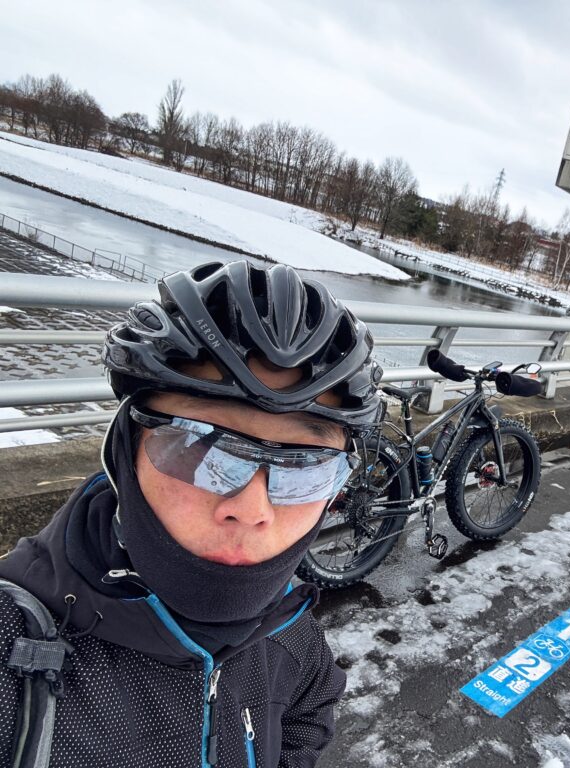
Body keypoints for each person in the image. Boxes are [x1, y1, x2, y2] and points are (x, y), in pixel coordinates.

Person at [1, 261, 383, 767]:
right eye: (197, 448)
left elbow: (310, 710)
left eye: (304, 467)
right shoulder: (13, 653)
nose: (252, 511)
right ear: (125, 449)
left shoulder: (286, 623)